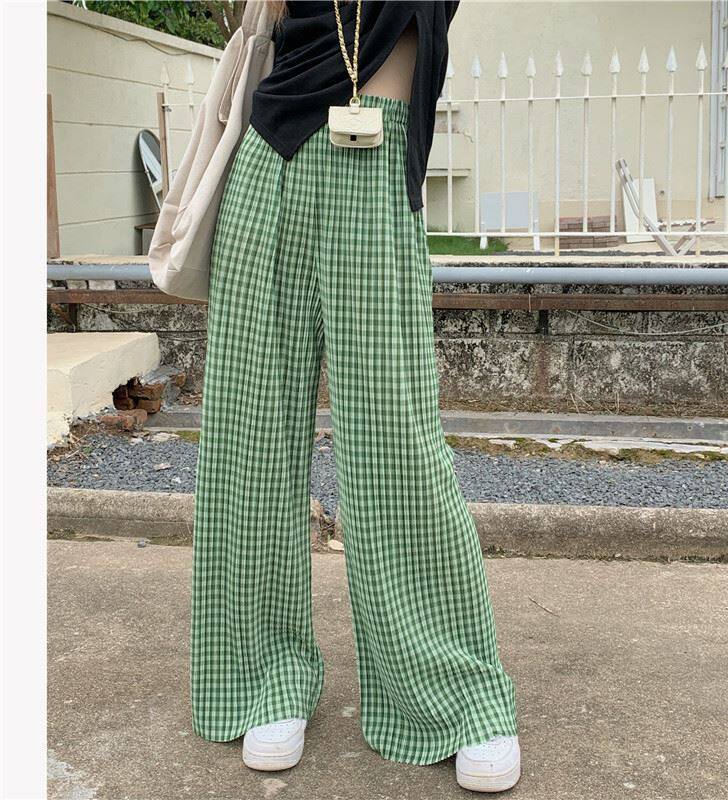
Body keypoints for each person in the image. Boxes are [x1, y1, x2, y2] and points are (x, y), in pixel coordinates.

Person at [190, 0, 521, 792]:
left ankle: (453, 690)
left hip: (376, 162)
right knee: (249, 438)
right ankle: (265, 676)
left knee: (395, 446)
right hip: (270, 159)